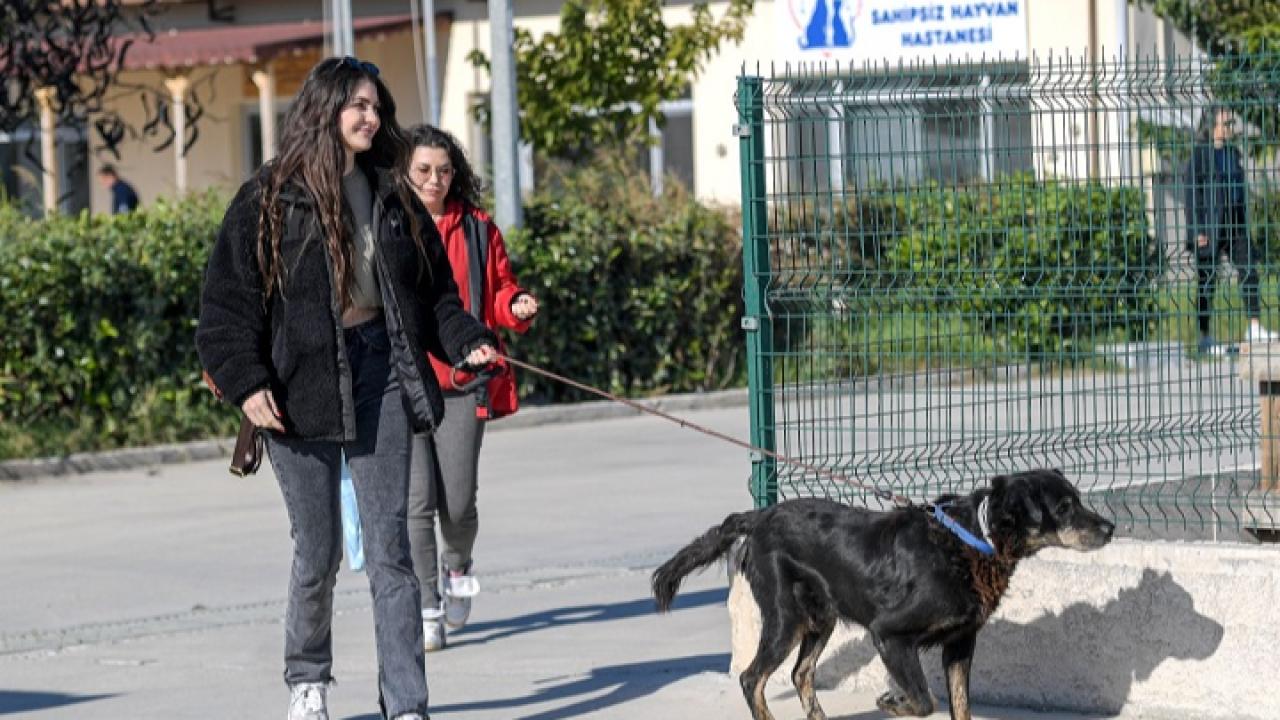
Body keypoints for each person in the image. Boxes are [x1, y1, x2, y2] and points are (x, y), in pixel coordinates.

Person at [195, 57, 498, 720]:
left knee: (390, 548)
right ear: (324, 108)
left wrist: (466, 339)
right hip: (294, 388)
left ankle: (408, 703)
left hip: (378, 370)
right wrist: (248, 385)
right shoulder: (269, 197)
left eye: (376, 106)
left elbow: (434, 293)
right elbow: (224, 311)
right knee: (320, 550)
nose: (370, 117)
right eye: (357, 104)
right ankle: (307, 679)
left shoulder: (392, 192)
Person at [404, 124, 540, 651]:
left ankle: (456, 566)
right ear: (406, 173)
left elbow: (500, 290)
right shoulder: (391, 225)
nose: (434, 180)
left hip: (463, 384)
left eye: (443, 170)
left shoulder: (479, 228)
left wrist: (517, 305)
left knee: (456, 503)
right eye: (422, 171)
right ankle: (427, 605)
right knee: (415, 503)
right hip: (405, 382)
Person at [1185, 106, 1277, 354]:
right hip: (1210, 227)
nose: (1231, 128)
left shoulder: (1232, 152)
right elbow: (1192, 195)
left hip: (1235, 223)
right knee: (1207, 281)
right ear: (1213, 126)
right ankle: (1205, 335)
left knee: (1248, 269)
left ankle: (1254, 326)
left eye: (1231, 123)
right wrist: (1197, 231)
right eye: (1226, 124)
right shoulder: (1200, 156)